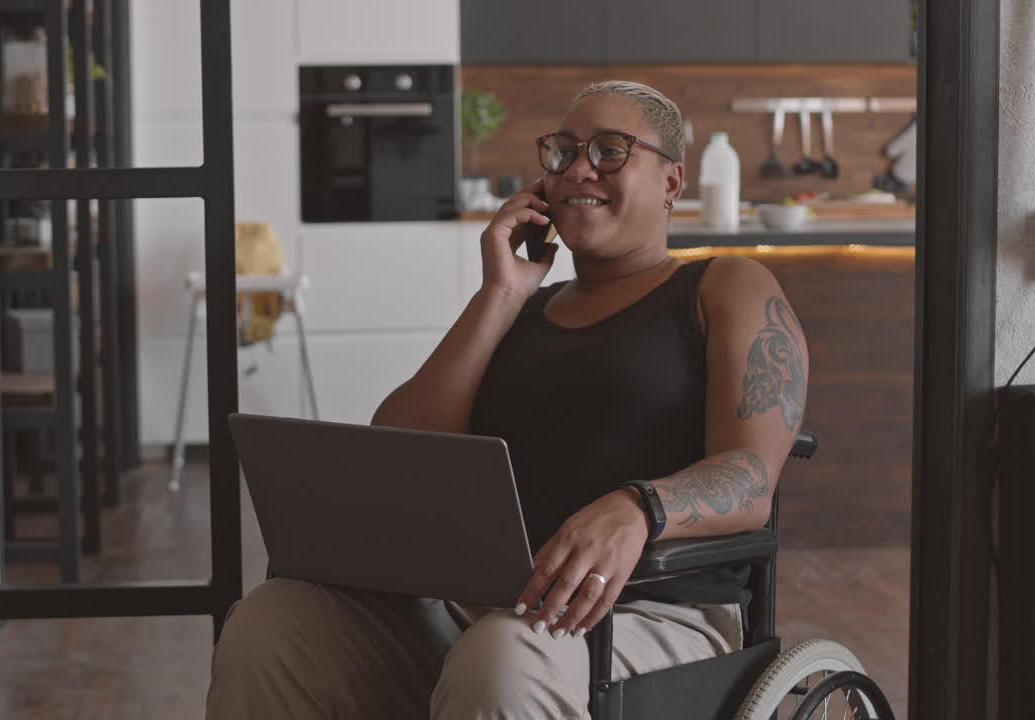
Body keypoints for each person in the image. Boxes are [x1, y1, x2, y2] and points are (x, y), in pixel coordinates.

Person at [206, 80, 810, 719]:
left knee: (502, 651)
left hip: (651, 610)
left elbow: (750, 476)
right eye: (563, 152)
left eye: (611, 150)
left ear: (670, 183)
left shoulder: (725, 286)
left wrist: (639, 507)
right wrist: (499, 292)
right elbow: (405, 447)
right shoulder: (519, 311)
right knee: (270, 623)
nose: (579, 168)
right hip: (481, 609)